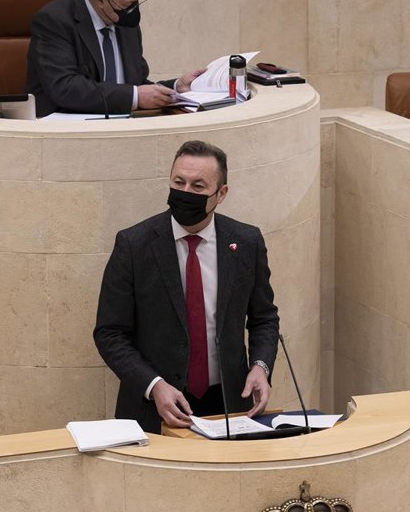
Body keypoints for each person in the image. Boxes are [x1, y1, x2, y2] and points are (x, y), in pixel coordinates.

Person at [93, 140, 280, 433]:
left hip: (228, 404)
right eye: (179, 182)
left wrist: (261, 367)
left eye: (198, 186)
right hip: (155, 407)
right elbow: (110, 333)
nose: (185, 192)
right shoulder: (134, 245)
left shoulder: (246, 242)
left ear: (221, 194)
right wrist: (153, 385)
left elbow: (264, 319)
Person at [24, 0, 204, 117]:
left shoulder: (125, 22)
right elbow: (64, 87)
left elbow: (136, 84)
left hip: (122, 123)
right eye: (126, 4)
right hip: (66, 125)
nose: (133, 9)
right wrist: (135, 96)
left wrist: (175, 87)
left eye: (137, 0)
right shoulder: (54, 21)